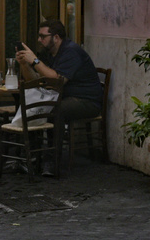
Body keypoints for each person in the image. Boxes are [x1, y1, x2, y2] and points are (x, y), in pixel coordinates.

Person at [15, 19, 105, 175]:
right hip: (64, 97)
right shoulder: (49, 53)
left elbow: (58, 80)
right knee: (33, 106)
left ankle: (51, 161)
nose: (39, 40)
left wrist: (35, 61)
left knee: (57, 110)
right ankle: (31, 157)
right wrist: (24, 64)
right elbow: (34, 80)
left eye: (43, 36)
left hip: (87, 101)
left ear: (56, 37)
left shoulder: (71, 51)